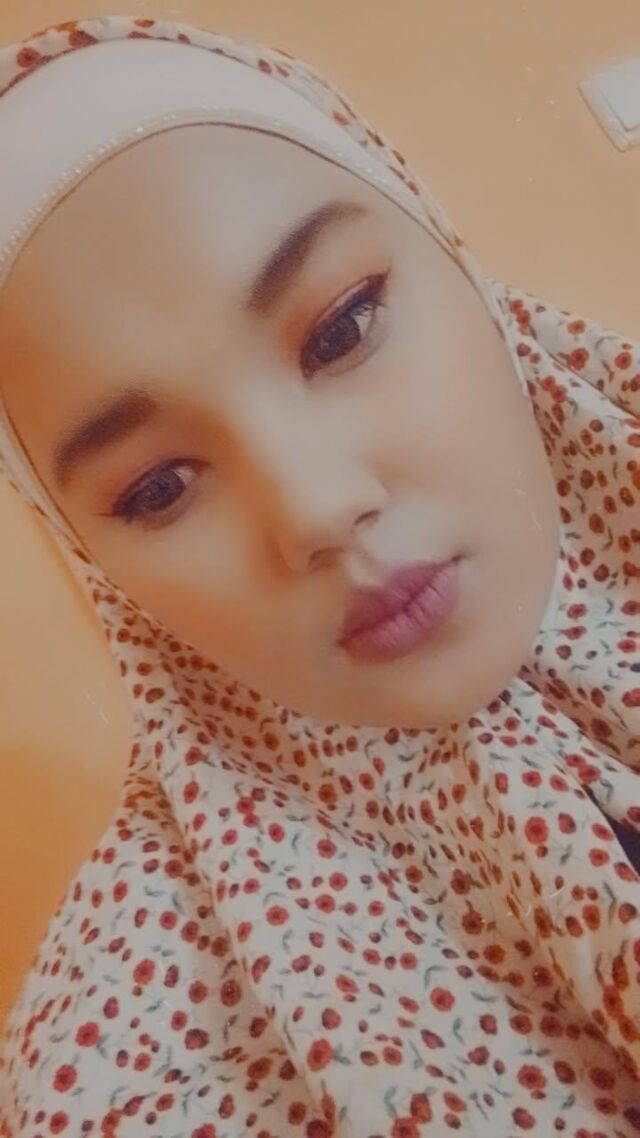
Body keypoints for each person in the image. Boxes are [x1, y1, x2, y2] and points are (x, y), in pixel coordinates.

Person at [0, 15, 638, 1138]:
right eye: (157, 487)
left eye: (343, 330)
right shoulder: (131, 1068)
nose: (315, 507)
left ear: (458, 262)